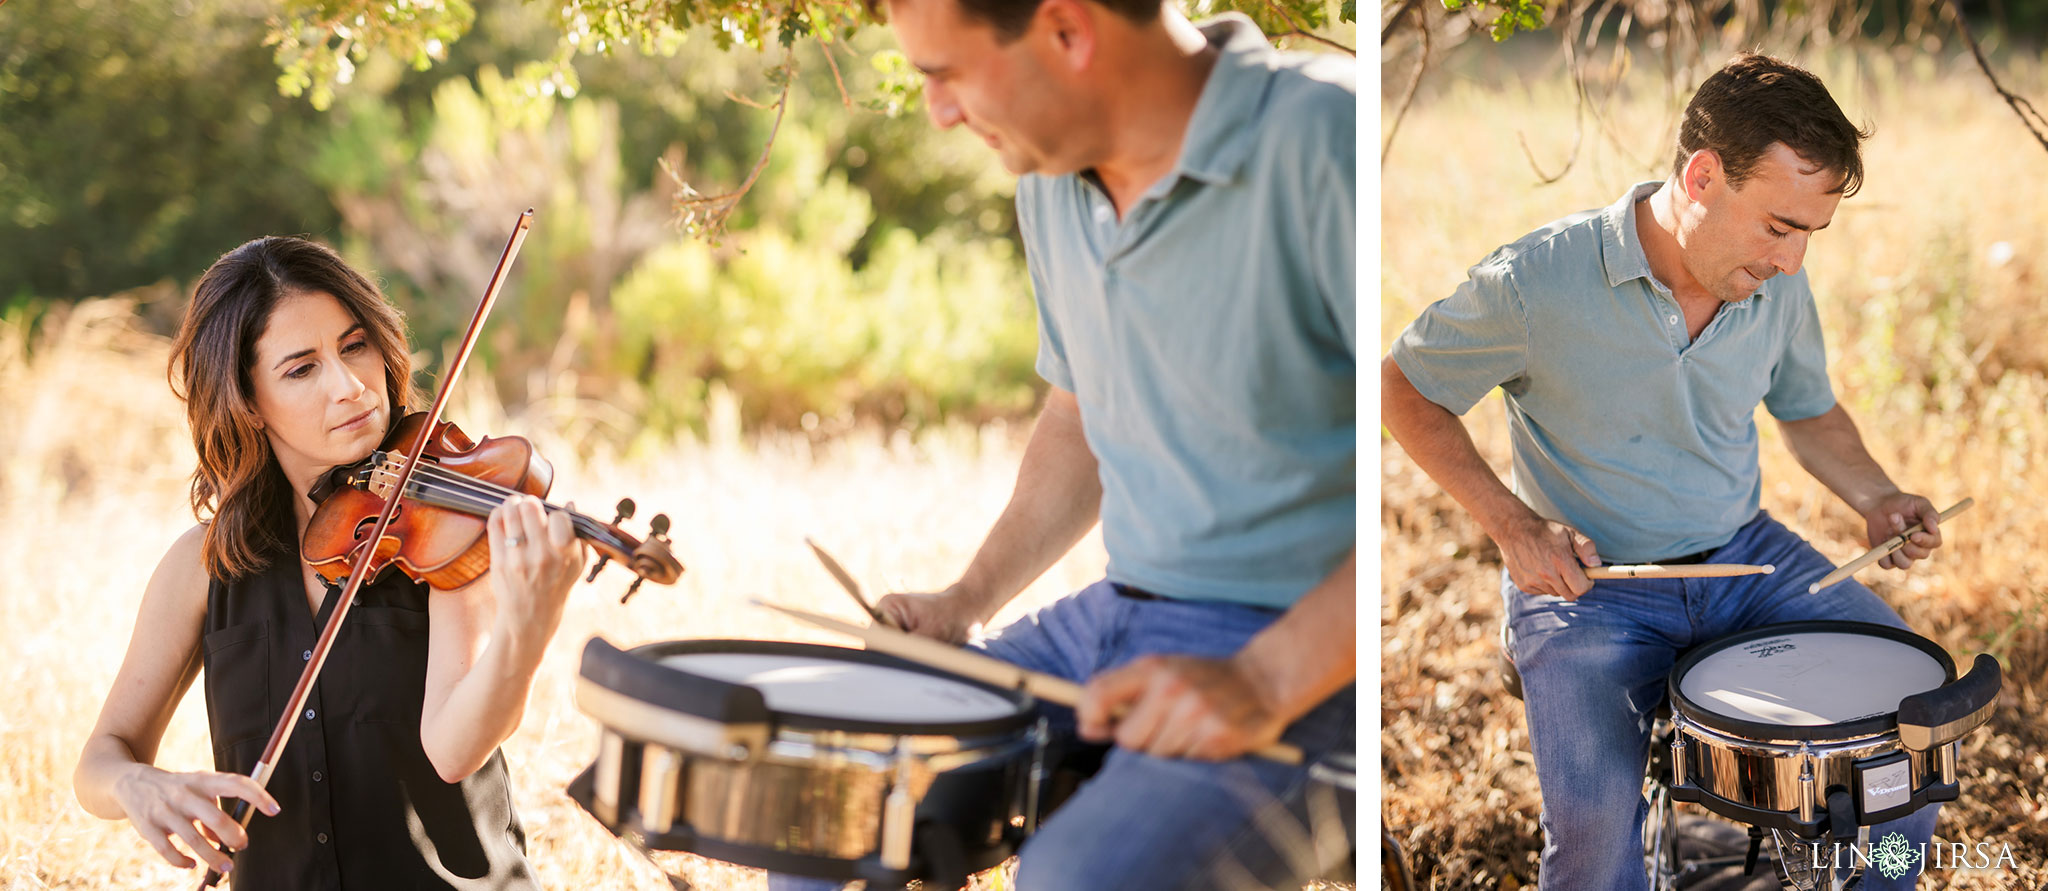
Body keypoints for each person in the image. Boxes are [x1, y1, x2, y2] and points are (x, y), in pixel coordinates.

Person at [776, 1, 1355, 889]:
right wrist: (965, 599)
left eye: (944, 74)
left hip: (1308, 661)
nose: (936, 110)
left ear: (1068, 31)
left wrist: (1267, 678)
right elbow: (1082, 417)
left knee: (1069, 878)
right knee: (832, 813)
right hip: (1110, 619)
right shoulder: (1049, 184)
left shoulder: (1325, 139)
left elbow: (1415, 476)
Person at [1383, 54, 1945, 890]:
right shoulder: (1536, 282)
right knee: (1594, 838)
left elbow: (1810, 412)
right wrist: (1513, 526)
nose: (1792, 263)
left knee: (1909, 727)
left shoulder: (1777, 284)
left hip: (1747, 562)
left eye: (1809, 236)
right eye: (1779, 227)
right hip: (1588, 590)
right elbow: (1403, 388)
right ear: (1703, 175)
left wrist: (1877, 495)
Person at [73, 236, 587, 888]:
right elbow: (99, 759)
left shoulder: (443, 535)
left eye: (354, 346)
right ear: (248, 403)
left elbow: (454, 749)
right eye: (301, 368)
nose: (349, 387)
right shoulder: (203, 568)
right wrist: (136, 783)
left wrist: (528, 627)